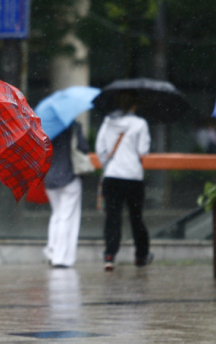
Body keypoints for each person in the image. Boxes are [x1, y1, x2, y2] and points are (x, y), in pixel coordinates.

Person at [95, 90, 152, 271]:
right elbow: (143, 151)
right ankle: (141, 255)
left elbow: (99, 148)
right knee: (136, 217)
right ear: (135, 106)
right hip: (133, 176)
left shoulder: (107, 122)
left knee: (113, 217)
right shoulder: (140, 124)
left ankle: (110, 255)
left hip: (112, 176)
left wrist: (108, 164)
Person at [43, 121, 90, 268]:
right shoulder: (74, 126)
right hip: (69, 176)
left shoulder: (45, 127)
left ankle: (51, 251)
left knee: (56, 215)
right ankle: (61, 257)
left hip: (49, 177)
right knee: (67, 217)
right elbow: (83, 148)